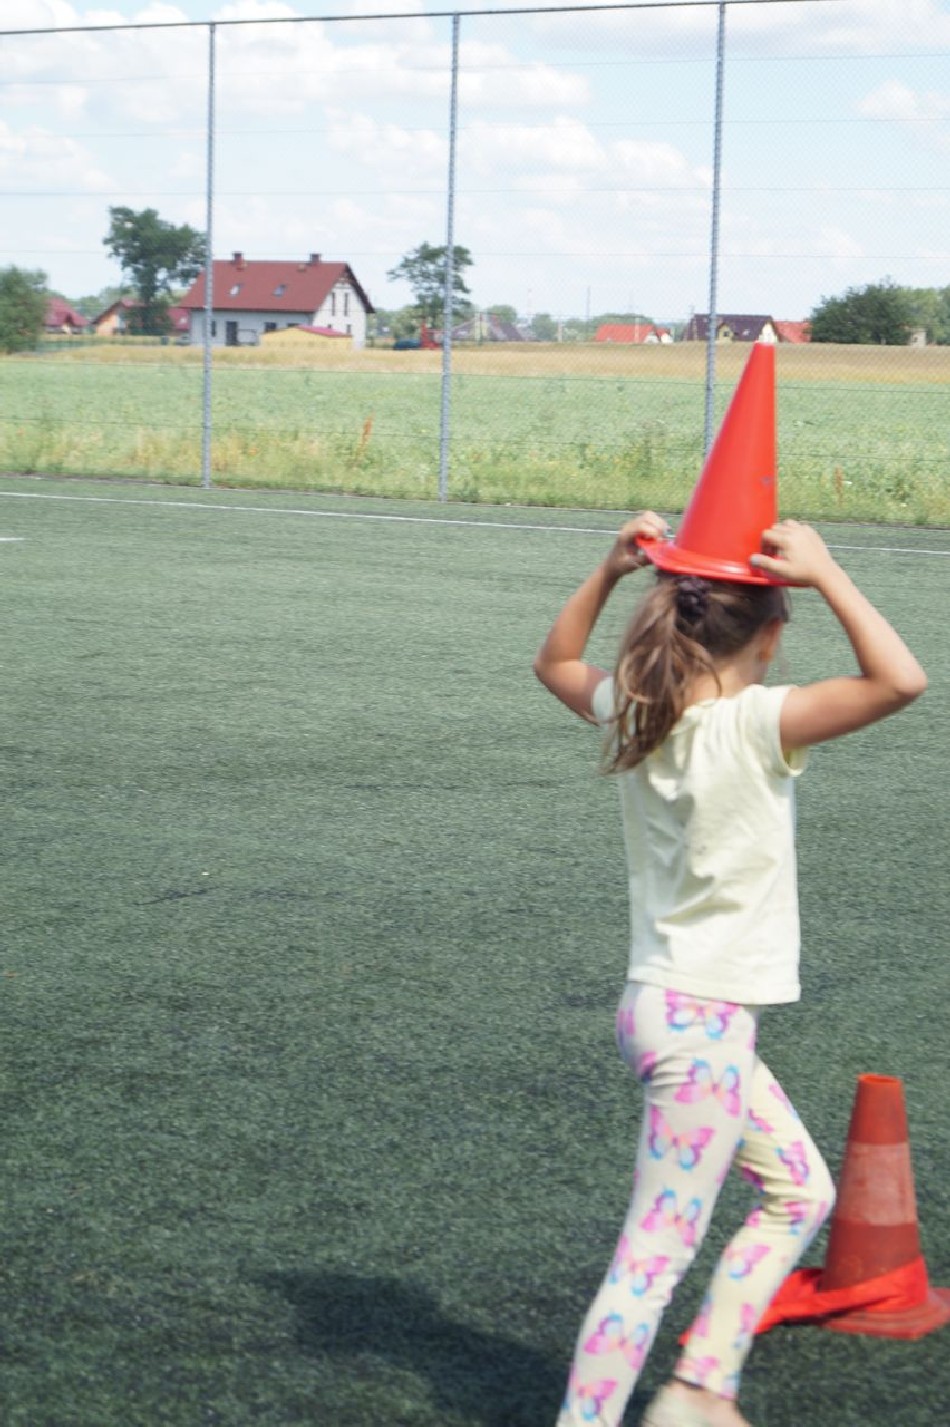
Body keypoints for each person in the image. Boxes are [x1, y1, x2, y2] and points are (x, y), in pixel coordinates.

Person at [533, 512, 927, 1427]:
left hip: (674, 1012)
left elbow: (555, 664)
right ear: (773, 634)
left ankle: (699, 1389)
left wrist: (608, 569)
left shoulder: (641, 707)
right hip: (700, 1026)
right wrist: (828, 572)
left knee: (802, 1190)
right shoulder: (756, 723)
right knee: (653, 1256)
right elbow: (901, 679)